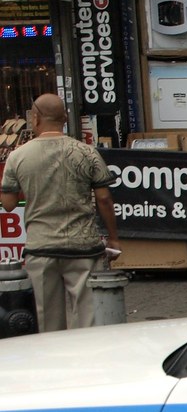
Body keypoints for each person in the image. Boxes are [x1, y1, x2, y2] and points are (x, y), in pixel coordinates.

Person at [0, 94, 120, 332]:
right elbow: (104, 199)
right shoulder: (86, 152)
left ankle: (54, 365)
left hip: (41, 248)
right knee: (88, 317)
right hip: (83, 246)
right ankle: (86, 362)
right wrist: (114, 238)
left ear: (35, 118)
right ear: (65, 118)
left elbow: (9, 204)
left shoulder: (18, 156)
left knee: (46, 320)